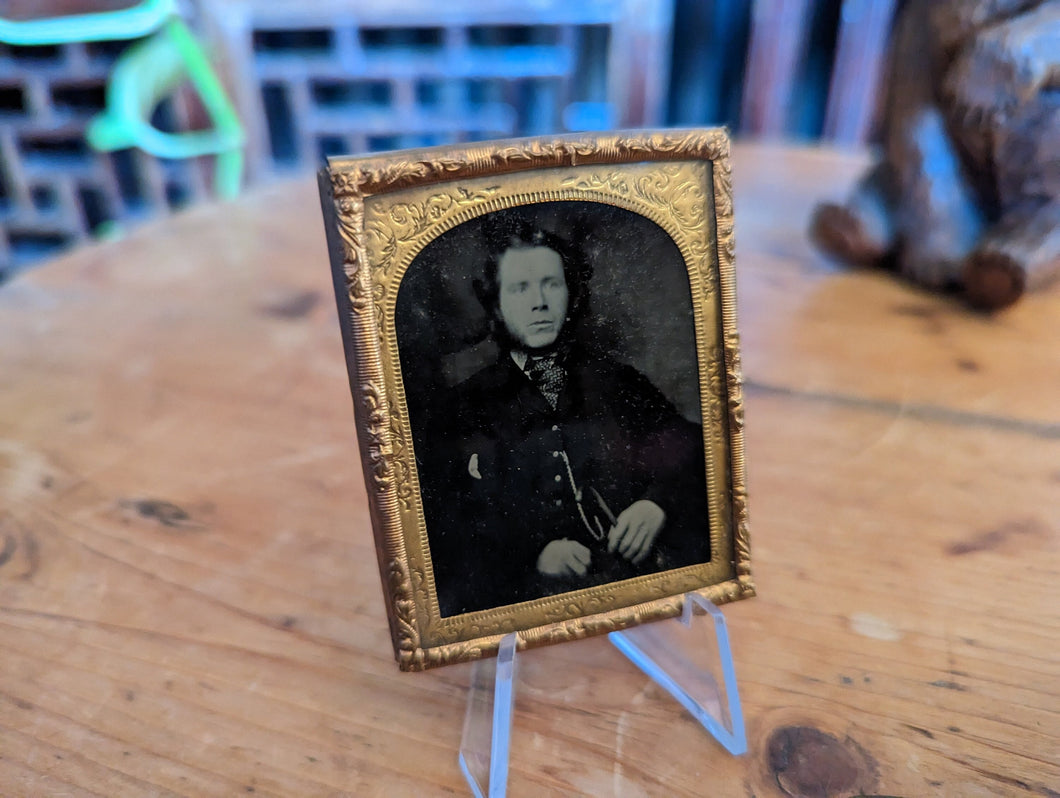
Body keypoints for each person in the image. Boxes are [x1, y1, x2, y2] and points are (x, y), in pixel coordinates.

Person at [420, 217, 710, 616]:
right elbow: (446, 528)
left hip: (639, 605)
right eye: (520, 288)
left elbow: (694, 448)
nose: (539, 301)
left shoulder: (617, 382)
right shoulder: (463, 409)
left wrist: (656, 504)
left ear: (570, 292)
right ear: (497, 305)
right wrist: (532, 556)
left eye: (551, 284)